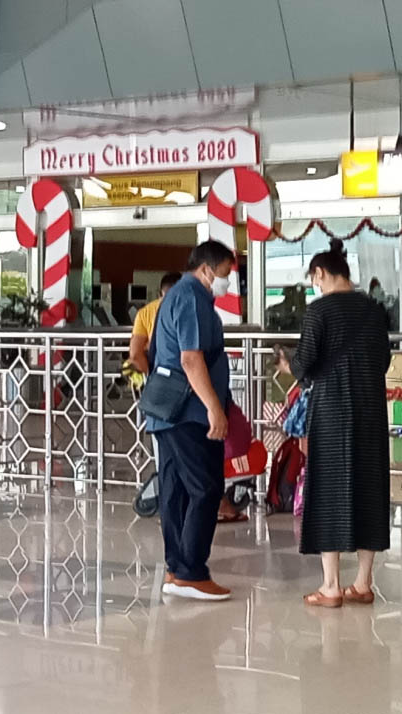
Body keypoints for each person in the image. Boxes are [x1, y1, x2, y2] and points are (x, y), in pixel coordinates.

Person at [289, 239, 393, 608]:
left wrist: (290, 366)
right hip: (370, 408)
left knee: (328, 490)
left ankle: (331, 586)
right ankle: (363, 582)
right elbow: (384, 361)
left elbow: (304, 362)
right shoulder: (374, 310)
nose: (314, 285)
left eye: (313, 279)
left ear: (320, 273)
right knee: (370, 488)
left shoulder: (318, 311)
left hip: (331, 409)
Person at [143, 241, 235, 602]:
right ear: (207, 270)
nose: (228, 281)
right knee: (206, 487)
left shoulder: (180, 296)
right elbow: (190, 359)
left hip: (169, 411)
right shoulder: (191, 297)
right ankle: (190, 572)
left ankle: (177, 567)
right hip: (188, 411)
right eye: (225, 273)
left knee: (177, 489)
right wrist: (214, 407)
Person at [128, 272, 183, 375]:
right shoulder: (190, 310)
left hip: (158, 373)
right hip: (184, 374)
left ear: (159, 293)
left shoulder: (144, 313)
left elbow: (135, 354)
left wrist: (149, 375)